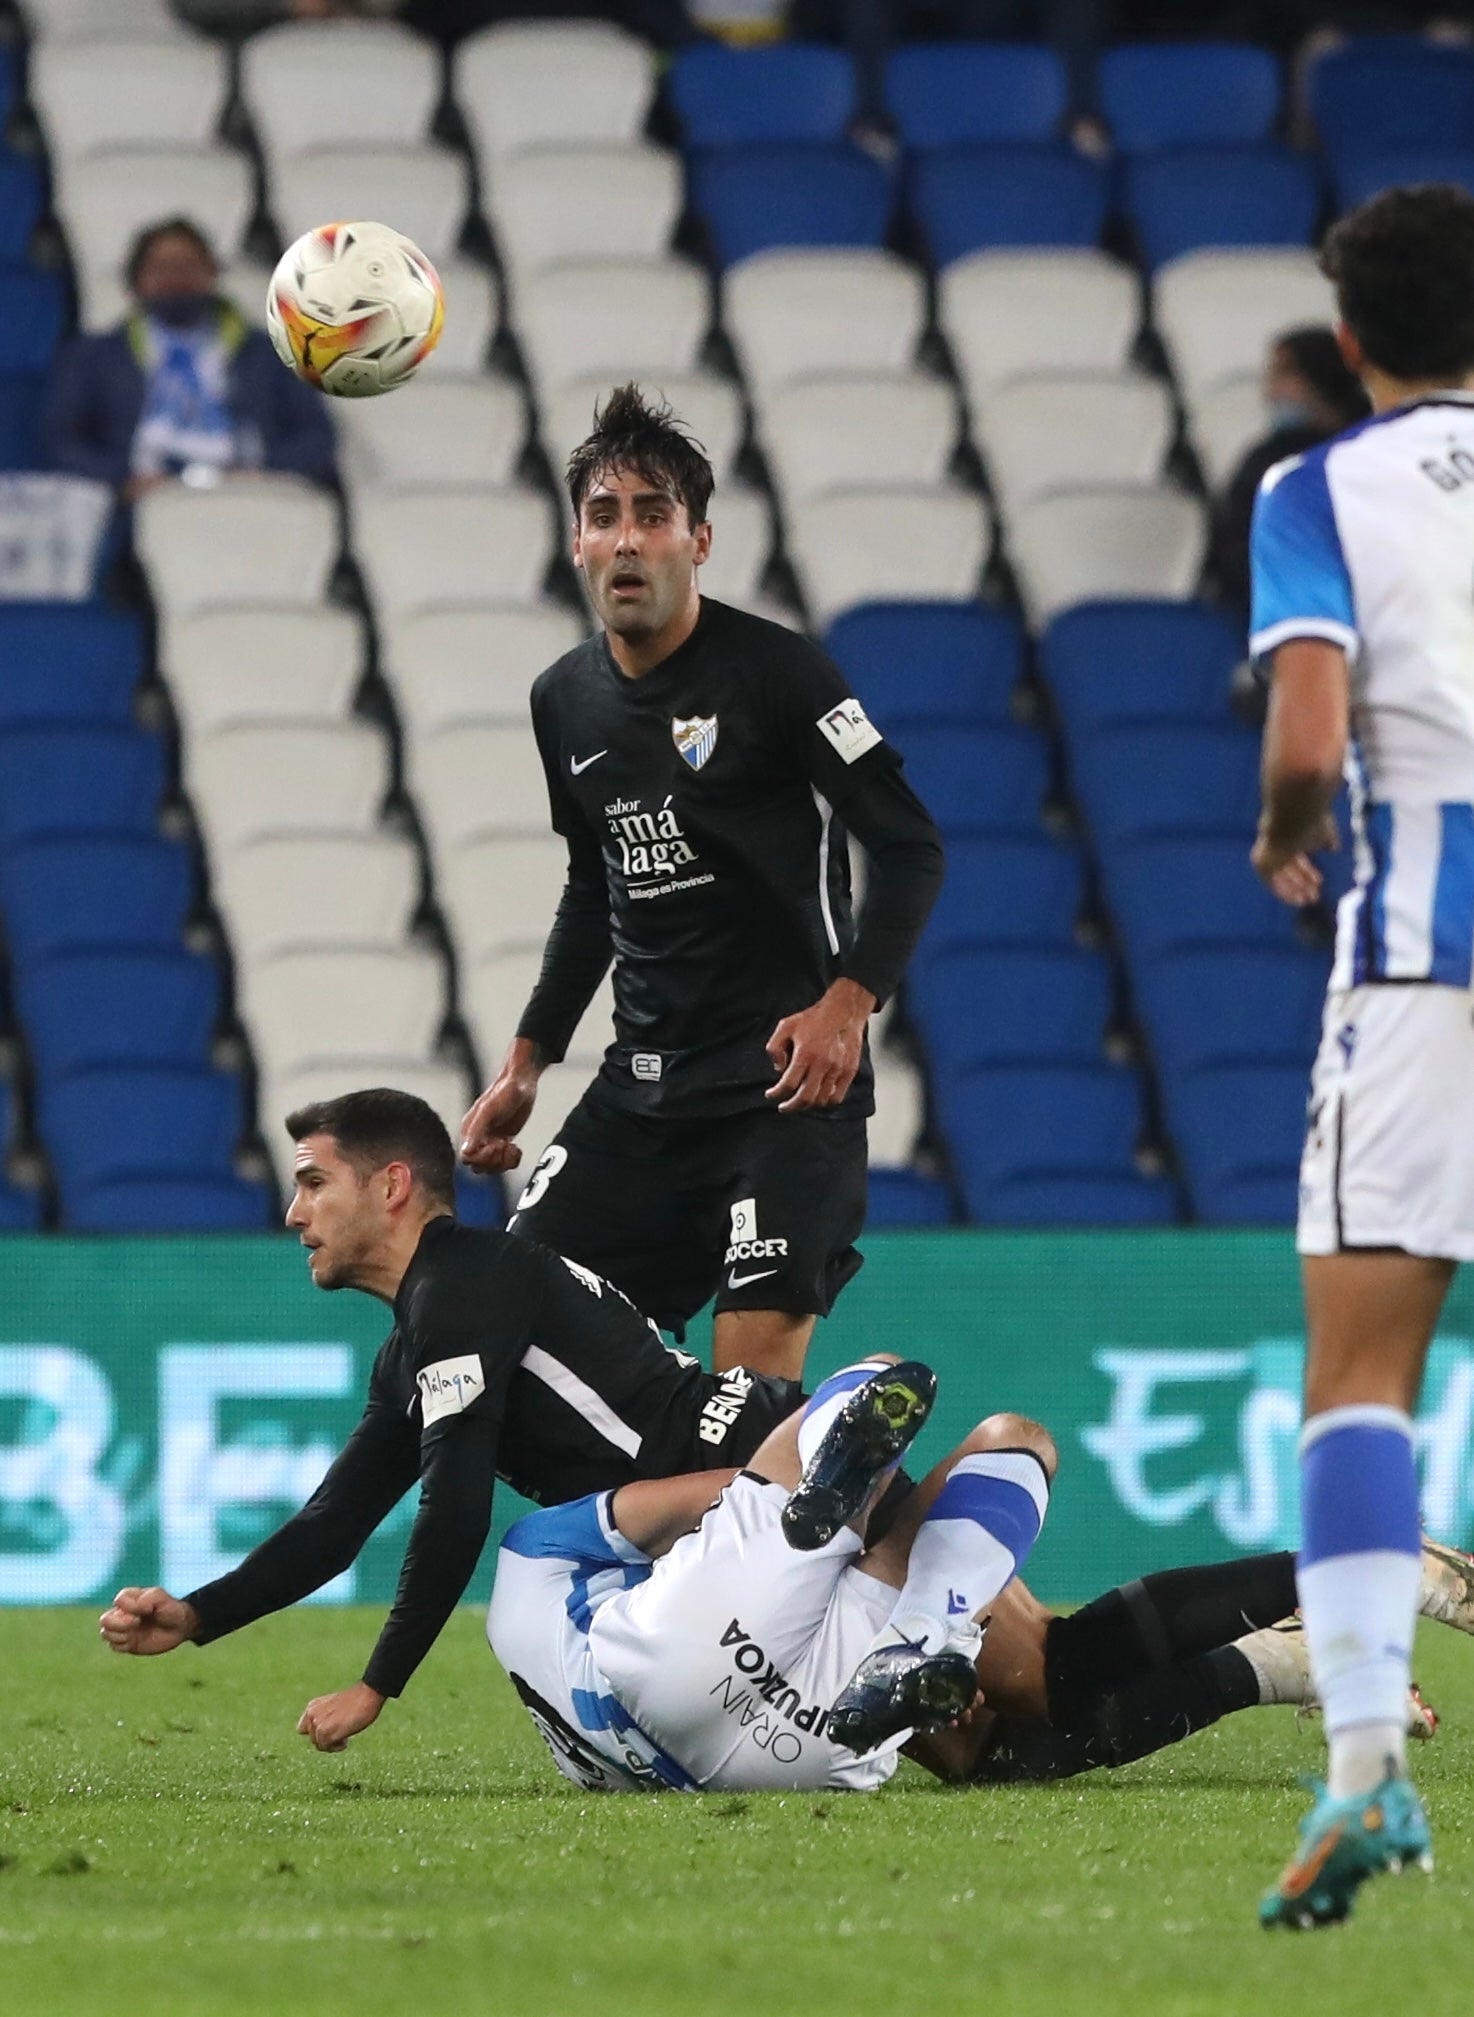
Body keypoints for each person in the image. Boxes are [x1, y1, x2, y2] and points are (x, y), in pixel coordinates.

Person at [458, 386, 945, 1383]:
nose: (627, 539)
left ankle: (822, 1488)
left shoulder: (781, 675)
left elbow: (909, 846)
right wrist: (526, 1061)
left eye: (652, 514)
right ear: (578, 544)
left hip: (784, 1088)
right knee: (503, 1332)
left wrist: (846, 1005)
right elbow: (595, 883)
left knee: (748, 1399)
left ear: (700, 539)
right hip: (640, 1097)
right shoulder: (563, 700)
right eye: (604, 516)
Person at [98, 1088, 813, 1752]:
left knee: (543, 1552)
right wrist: (197, 1614)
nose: (294, 1211)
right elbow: (334, 1524)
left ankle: (859, 1443)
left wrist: (377, 1683)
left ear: (392, 1185)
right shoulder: (416, 1340)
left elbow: (456, 1508)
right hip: (717, 1516)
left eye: (315, 1182)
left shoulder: (460, 1292)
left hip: (753, 1469)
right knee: (881, 1683)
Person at [486, 1355, 1474, 1794]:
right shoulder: (540, 1542)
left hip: (752, 1741)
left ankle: (1295, 1655)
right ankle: (1353, 1579)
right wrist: (764, 1496)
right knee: (1008, 1471)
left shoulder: (528, 1603)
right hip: (739, 1591)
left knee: (1005, 1721)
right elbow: (672, 1500)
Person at [1248, 182, 1474, 1928]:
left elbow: (1307, 726)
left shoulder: (1312, 486)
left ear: (1349, 342)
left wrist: (1282, 831)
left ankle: (1359, 1774)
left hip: (1415, 967)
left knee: (1360, 1380)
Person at [42, 216, 337, 502]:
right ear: (135, 281)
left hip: (248, 493)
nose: (176, 278)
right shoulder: (92, 356)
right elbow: (61, 442)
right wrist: (122, 480)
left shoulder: (267, 352)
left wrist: (262, 470)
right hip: (138, 501)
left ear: (211, 275)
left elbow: (316, 437)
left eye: (189, 266)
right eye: (161, 267)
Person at [1214, 325, 1368, 613]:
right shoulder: (1266, 462)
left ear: (1321, 378)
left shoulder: (1376, 450)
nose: (1269, 392)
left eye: (1282, 375)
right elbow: (1237, 555)